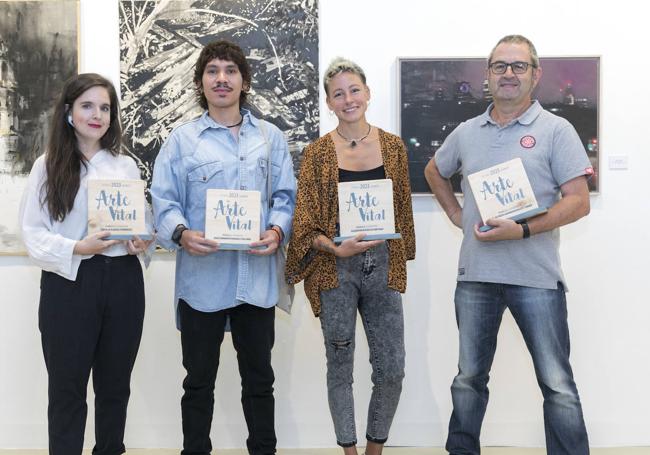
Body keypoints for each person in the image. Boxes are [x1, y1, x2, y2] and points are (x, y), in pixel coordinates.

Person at [424, 35, 591, 455]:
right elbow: (434, 170)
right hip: (476, 276)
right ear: (487, 75)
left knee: (558, 385)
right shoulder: (466, 132)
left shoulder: (557, 130)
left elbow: (578, 201)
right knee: (468, 380)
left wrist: (524, 230)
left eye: (518, 66)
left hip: (536, 278)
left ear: (535, 74)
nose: (509, 74)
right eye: (500, 66)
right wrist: (455, 214)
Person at [150, 39, 296, 455]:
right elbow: (164, 200)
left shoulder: (271, 139)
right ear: (201, 81)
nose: (221, 78)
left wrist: (277, 231)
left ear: (244, 81)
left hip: (256, 282)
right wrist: (181, 234)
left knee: (259, 381)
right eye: (212, 70)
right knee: (198, 382)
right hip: (203, 283)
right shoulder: (182, 141)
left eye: (230, 70)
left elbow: (285, 197)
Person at [286, 57, 415, 455]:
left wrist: (400, 258)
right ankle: (349, 452)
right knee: (340, 367)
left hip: (383, 267)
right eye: (338, 94)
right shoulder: (316, 153)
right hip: (334, 271)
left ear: (368, 93)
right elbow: (304, 220)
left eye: (354, 90)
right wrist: (334, 247)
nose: (348, 99)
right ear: (328, 102)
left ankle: (375, 449)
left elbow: (402, 208)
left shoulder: (393, 146)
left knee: (391, 369)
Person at [20, 73, 152, 455]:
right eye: (88, 106)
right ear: (68, 113)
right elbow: (33, 235)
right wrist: (79, 246)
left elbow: (142, 225)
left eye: (105, 108)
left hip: (124, 283)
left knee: (115, 387)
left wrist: (141, 238)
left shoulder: (125, 167)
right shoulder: (46, 166)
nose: (97, 115)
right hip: (69, 283)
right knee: (67, 390)